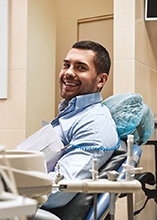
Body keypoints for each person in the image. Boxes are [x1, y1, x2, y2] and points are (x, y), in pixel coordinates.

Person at [39, 40, 120, 219]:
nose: (68, 73)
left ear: (101, 80)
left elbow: (59, 191)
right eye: (66, 65)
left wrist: (8, 186)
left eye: (80, 68)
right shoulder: (72, 115)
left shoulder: (95, 124)